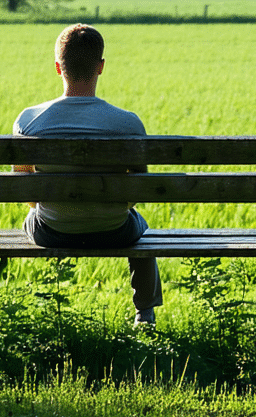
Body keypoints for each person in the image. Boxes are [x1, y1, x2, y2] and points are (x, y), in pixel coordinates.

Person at [13, 23, 163, 325]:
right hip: (114, 230)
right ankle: (145, 314)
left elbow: (24, 191)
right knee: (142, 225)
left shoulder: (29, 121)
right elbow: (138, 188)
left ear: (58, 67)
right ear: (101, 67)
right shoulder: (128, 123)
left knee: (33, 216)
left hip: (51, 230)